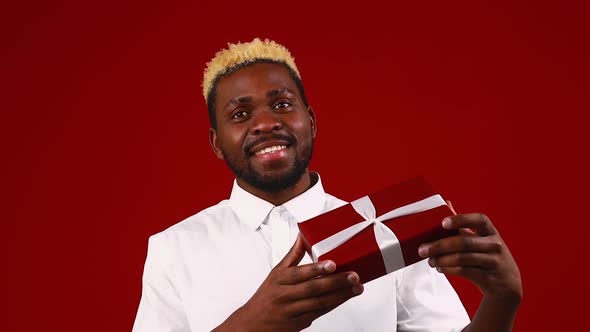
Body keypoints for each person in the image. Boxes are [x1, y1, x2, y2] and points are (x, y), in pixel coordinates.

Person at [133, 38, 522, 332]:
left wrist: (501, 301)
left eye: (282, 104)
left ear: (312, 121)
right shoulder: (174, 249)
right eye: (240, 113)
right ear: (217, 143)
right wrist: (250, 325)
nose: (266, 122)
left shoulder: (389, 233)